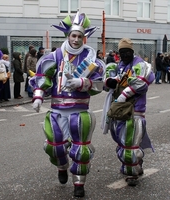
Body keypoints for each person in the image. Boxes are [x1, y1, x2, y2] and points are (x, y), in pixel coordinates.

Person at [29, 10, 105, 197]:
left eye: (80, 36)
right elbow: (42, 77)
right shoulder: (54, 56)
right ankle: (62, 165)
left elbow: (99, 84)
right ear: (68, 35)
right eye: (73, 35)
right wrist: (38, 95)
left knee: (82, 148)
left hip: (80, 110)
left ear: (84, 38)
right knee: (54, 147)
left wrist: (83, 83)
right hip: (57, 109)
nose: (76, 39)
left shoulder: (91, 59)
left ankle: (79, 183)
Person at [101, 38, 154, 187]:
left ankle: (132, 172)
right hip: (118, 110)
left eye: (127, 52)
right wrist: (110, 82)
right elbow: (106, 84)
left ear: (132, 51)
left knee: (130, 145)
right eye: (122, 52)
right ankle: (132, 163)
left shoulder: (140, 65)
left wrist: (125, 94)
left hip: (135, 109)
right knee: (121, 141)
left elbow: (142, 84)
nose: (125, 55)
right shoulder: (118, 66)